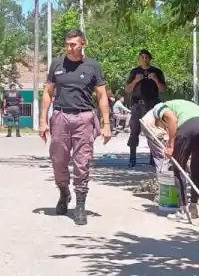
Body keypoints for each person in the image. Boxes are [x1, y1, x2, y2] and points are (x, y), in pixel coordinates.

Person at [40, 29, 113, 225]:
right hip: (61, 117)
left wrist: (106, 124)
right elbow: (47, 93)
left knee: (82, 163)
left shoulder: (93, 66)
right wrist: (43, 121)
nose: (69, 47)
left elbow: (101, 96)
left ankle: (80, 205)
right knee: (58, 160)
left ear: (83, 44)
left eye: (73, 44)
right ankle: (64, 193)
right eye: (67, 44)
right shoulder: (57, 64)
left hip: (84, 118)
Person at [147, 99, 199, 222]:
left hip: (189, 127)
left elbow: (172, 120)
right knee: (196, 167)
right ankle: (193, 207)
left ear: (158, 119)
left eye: (160, 125)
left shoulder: (159, 108)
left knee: (178, 169)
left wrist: (171, 145)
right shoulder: (181, 104)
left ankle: (184, 210)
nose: (163, 128)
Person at [124, 49, 166, 167]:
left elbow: (163, 89)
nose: (144, 59)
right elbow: (127, 90)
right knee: (134, 131)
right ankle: (132, 158)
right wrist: (136, 80)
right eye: (142, 57)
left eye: (146, 57)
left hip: (152, 105)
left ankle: (154, 158)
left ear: (150, 59)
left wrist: (156, 80)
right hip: (137, 105)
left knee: (153, 132)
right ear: (139, 58)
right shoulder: (134, 72)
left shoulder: (156, 71)